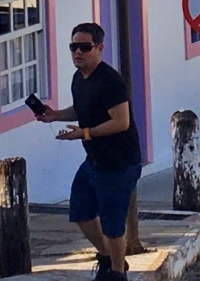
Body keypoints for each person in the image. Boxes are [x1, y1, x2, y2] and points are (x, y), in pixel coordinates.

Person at [37, 23, 143, 281]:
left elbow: (121, 121)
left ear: (99, 48)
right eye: (74, 47)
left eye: (85, 47)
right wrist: (55, 116)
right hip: (94, 159)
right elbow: (82, 108)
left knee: (113, 224)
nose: (78, 53)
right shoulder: (79, 78)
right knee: (81, 211)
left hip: (119, 162)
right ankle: (107, 257)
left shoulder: (110, 81)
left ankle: (117, 273)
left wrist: (84, 133)